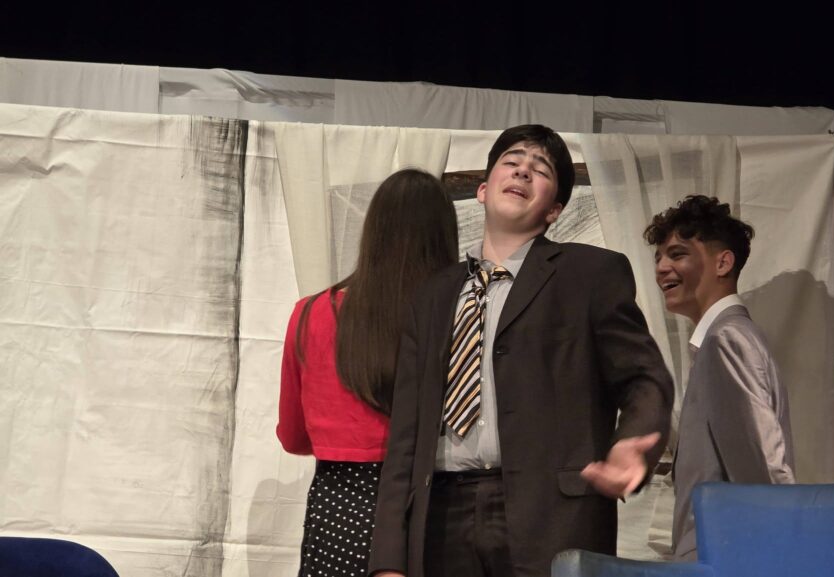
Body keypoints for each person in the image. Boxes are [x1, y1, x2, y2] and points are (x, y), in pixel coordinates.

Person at [368, 124, 674, 577]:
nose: (523, 171)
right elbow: (406, 434)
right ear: (483, 189)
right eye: (511, 161)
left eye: (541, 169)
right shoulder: (433, 294)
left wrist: (631, 442)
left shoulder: (590, 273)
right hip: (442, 515)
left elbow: (644, 377)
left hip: (551, 517)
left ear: (554, 209)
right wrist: (388, 560)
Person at [276, 168, 459, 577]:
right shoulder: (451, 318)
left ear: (373, 230)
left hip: (339, 507)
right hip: (430, 503)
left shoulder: (311, 314)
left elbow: (292, 435)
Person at [645, 195, 795, 561]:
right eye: (658, 258)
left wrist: (783, 555)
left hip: (728, 556)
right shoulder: (722, 339)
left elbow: (763, 471)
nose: (662, 268)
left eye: (677, 254)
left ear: (723, 262)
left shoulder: (727, 340)